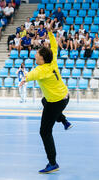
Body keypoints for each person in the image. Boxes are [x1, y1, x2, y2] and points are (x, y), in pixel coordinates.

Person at [19, 20, 72, 174]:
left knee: (44, 131)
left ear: (41, 58)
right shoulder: (52, 59)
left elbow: (32, 74)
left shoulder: (41, 70)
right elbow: (54, 46)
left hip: (56, 102)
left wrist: (24, 78)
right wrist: (50, 32)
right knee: (44, 100)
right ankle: (64, 120)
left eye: (37, 53)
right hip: (64, 96)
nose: (35, 54)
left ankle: (53, 162)